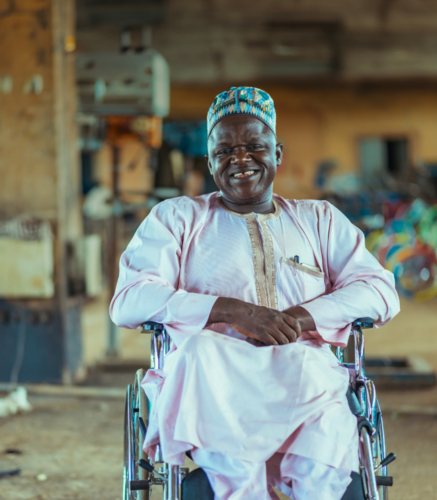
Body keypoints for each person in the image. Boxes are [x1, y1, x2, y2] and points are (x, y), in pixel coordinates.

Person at [110, 87, 400, 500]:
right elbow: (131, 299)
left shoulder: (319, 219)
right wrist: (231, 312)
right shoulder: (176, 218)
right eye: (224, 151)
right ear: (210, 162)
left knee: (319, 381)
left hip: (302, 372)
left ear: (277, 153)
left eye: (253, 146)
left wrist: (300, 318)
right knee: (195, 354)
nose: (240, 160)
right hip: (211, 378)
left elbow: (378, 290)